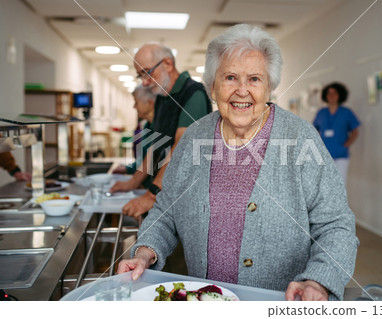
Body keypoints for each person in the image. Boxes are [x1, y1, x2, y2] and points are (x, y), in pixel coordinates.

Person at [117, 24, 358, 301]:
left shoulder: (301, 138)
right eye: (230, 77)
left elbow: (336, 225)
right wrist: (146, 252)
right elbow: (166, 211)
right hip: (207, 303)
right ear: (213, 86)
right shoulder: (195, 136)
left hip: (279, 305)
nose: (242, 91)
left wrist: (318, 281)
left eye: (255, 79)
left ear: (269, 86)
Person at [110, 43, 212, 218]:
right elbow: (155, 149)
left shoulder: (193, 94)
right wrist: (133, 183)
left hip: (185, 201)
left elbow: (181, 149)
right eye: (140, 75)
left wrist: (152, 194)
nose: (144, 82)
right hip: (163, 197)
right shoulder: (161, 98)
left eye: (148, 72)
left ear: (168, 64)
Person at [313, 82, 360, 185]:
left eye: (334, 93)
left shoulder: (346, 112)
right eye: (329, 93)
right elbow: (313, 130)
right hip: (324, 155)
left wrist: (346, 145)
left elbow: (355, 131)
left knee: (340, 184)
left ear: (340, 95)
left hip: (340, 155)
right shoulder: (321, 113)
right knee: (324, 185)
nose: (331, 96)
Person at [112, 84, 156, 188]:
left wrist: (132, 183)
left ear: (149, 103)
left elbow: (154, 163)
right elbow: (143, 160)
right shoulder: (147, 126)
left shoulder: (162, 128)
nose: (134, 106)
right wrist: (127, 169)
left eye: (136, 102)